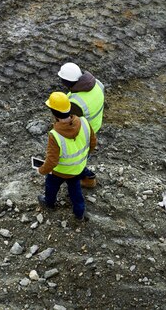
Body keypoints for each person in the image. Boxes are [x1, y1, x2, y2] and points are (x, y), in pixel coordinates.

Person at [36, 92, 97, 221]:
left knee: (51, 186)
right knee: (75, 193)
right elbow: (93, 143)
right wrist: (81, 159)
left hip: (59, 172)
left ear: (53, 113)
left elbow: (52, 161)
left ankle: (49, 203)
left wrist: (42, 170)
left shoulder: (55, 135)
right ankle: (79, 214)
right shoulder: (84, 122)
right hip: (77, 170)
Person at [58, 62, 104, 187]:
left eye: (62, 80)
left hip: (84, 132)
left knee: (77, 158)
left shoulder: (75, 104)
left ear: (67, 82)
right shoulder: (97, 84)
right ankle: (86, 176)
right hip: (95, 125)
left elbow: (71, 125)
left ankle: (87, 178)